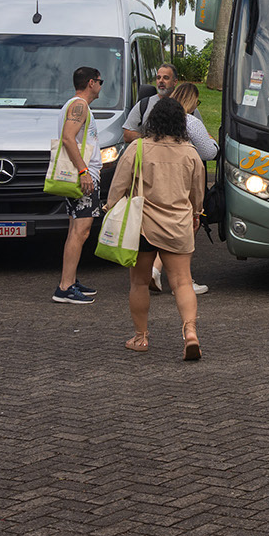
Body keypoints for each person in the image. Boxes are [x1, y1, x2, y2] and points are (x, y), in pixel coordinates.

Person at [103, 96, 206, 360]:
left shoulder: (137, 148)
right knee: (182, 282)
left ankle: (140, 338)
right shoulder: (190, 153)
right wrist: (196, 213)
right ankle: (190, 333)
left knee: (139, 282)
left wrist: (109, 207)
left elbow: (118, 185)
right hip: (178, 225)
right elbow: (197, 193)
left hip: (143, 226)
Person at [148, 81, 214, 298]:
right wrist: (213, 142)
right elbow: (208, 153)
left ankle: (155, 268)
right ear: (192, 101)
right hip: (183, 178)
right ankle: (183, 281)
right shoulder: (192, 122)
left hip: (157, 177)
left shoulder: (158, 120)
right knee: (187, 227)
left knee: (164, 225)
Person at [53, 66, 104, 305]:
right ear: (91, 82)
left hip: (81, 175)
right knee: (80, 231)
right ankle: (65, 287)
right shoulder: (79, 105)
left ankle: (70, 280)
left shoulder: (76, 105)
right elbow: (67, 137)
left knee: (75, 229)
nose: (101, 86)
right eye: (100, 81)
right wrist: (84, 171)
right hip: (82, 177)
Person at [122, 63, 178, 141]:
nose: (161, 81)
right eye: (158, 78)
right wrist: (149, 139)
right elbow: (127, 134)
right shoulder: (144, 105)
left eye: (166, 78)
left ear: (175, 82)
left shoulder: (184, 104)